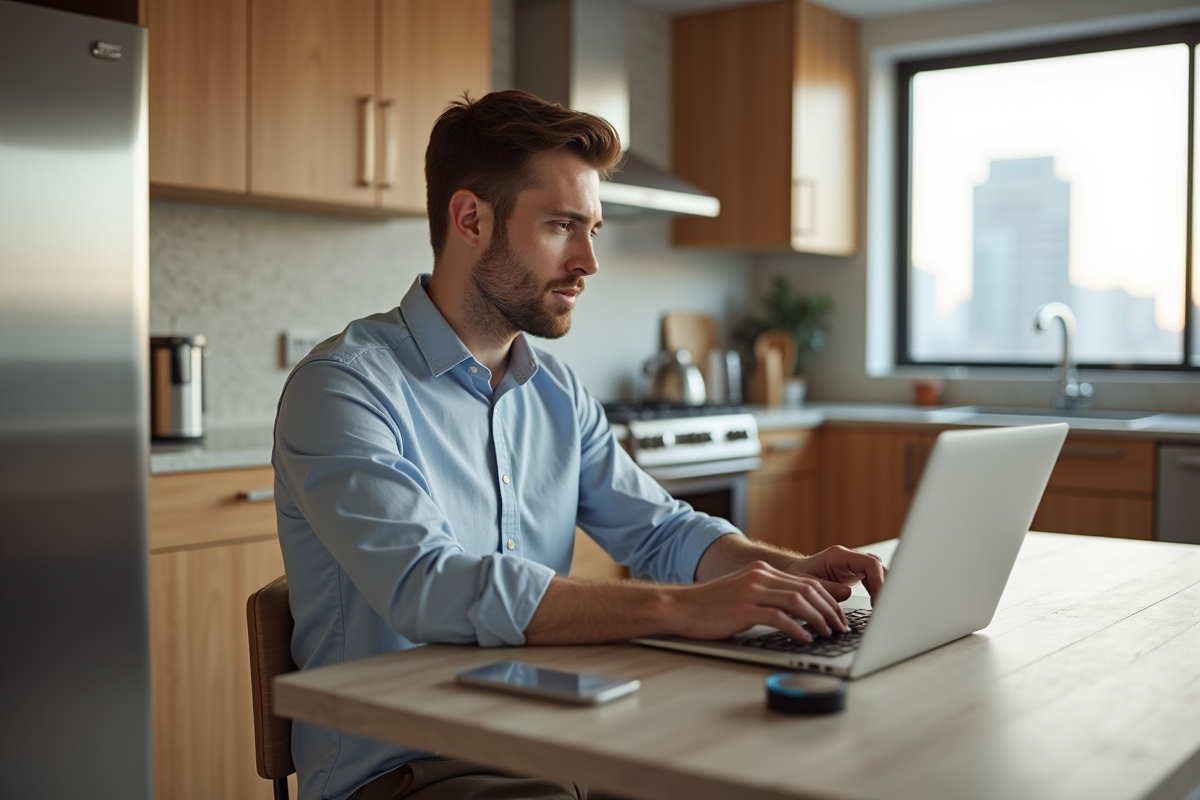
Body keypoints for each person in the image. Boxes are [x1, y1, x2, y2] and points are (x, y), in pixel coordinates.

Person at [273, 89, 886, 800]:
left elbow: (662, 531)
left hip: (555, 733)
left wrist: (782, 574)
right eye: (563, 225)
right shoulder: (344, 388)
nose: (589, 261)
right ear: (470, 218)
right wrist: (685, 609)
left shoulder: (555, 392)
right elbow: (428, 586)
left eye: (592, 228)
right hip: (409, 771)